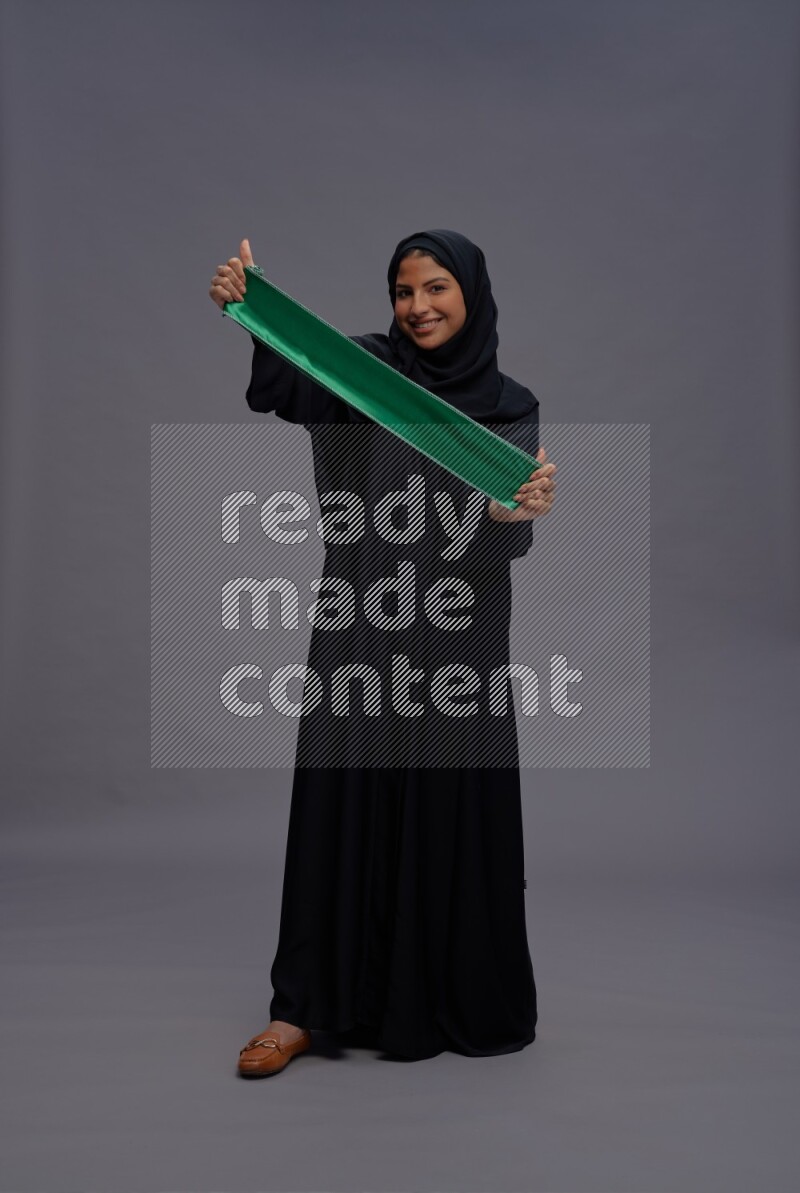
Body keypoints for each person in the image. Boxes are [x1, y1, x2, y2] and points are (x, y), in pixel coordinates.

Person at [209, 229, 556, 1077]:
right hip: (361, 624)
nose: (420, 307)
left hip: (459, 643)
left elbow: (495, 548)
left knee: (448, 809)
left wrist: (514, 518)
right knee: (341, 801)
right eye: (405, 291)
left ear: (471, 294)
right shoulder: (366, 374)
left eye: (437, 288)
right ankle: (300, 1011)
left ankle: (439, 997)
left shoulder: (510, 403)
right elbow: (290, 386)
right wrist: (255, 312)